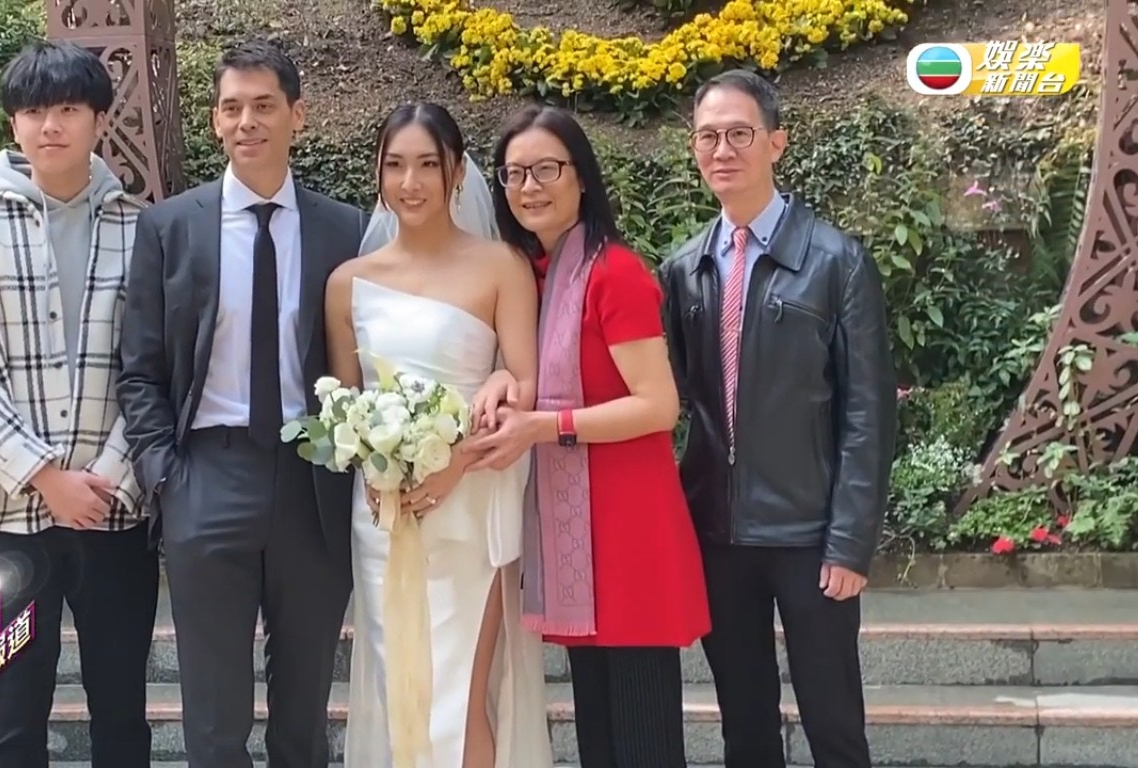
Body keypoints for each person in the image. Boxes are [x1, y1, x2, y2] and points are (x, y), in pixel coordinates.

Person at [115, 41, 366, 768]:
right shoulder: (170, 227)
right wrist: (165, 476)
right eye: (231, 108)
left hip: (313, 479)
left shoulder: (344, 228)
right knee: (215, 713)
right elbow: (141, 368)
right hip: (206, 475)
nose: (246, 121)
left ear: (297, 116)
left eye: (263, 106)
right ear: (215, 121)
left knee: (304, 707)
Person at [0, 39, 159, 768]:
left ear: (98, 120)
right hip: (5, 519)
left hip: (114, 514)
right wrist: (45, 475)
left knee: (121, 707)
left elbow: (158, 368)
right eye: (33, 111)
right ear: (14, 124)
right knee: (15, 707)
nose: (49, 125)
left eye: (67, 109)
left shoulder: (143, 233)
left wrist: (107, 476)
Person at [655, 69, 896, 768]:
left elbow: (868, 411)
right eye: (708, 136)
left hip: (809, 536)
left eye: (739, 133)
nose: (722, 150)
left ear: (776, 143)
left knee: (834, 725)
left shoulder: (837, 261)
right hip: (719, 536)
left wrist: (850, 541)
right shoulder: (684, 269)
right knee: (746, 729)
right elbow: (679, 400)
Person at [470, 104, 710, 767]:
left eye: (546, 169)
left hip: (629, 532)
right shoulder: (535, 277)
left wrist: (546, 427)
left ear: (581, 176)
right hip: (576, 537)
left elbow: (658, 406)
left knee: (643, 743)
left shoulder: (613, 272)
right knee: (601, 742)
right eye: (514, 173)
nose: (529, 187)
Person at [327, 102, 554, 768]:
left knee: (457, 698)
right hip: (384, 515)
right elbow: (342, 407)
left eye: (428, 164)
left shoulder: (501, 266)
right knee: (398, 688)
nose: (411, 182)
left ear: (457, 172)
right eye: (395, 165)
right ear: (377, 173)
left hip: (470, 503)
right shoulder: (347, 285)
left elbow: (524, 387)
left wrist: (456, 461)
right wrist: (371, 464)